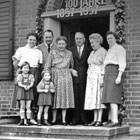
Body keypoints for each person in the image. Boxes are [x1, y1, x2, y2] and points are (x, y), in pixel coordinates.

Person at [44, 36, 76, 126]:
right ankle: (54, 119)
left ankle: (64, 119)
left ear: (66, 44)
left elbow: (71, 65)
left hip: (66, 77)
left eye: (63, 44)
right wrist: (47, 77)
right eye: (59, 44)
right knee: (55, 97)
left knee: (64, 97)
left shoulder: (69, 53)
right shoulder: (52, 52)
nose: (61, 45)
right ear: (57, 44)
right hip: (55, 76)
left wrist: (69, 71)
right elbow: (47, 65)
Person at [13, 32, 43, 124]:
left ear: (36, 41)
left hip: (34, 72)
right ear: (27, 40)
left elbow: (40, 64)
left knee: (32, 94)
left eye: (34, 40)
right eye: (30, 39)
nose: (32, 41)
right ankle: (22, 118)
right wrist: (18, 72)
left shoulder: (38, 51)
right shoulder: (21, 50)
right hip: (22, 73)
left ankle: (31, 118)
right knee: (21, 94)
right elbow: (15, 62)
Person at [102, 31, 126, 127]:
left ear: (115, 38)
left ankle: (115, 120)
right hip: (108, 74)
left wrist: (119, 76)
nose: (109, 40)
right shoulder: (110, 49)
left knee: (113, 98)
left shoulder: (119, 48)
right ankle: (110, 119)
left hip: (114, 73)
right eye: (108, 39)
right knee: (108, 98)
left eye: (111, 38)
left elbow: (122, 63)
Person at [69, 32, 92, 125]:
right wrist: (70, 70)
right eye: (77, 38)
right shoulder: (70, 50)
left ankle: (85, 119)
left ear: (84, 39)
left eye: (80, 38)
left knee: (84, 98)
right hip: (74, 77)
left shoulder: (89, 50)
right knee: (75, 98)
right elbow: (67, 63)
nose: (78, 40)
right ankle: (75, 119)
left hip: (85, 77)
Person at [84, 33, 107, 126]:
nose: (92, 44)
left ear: (98, 42)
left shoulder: (103, 52)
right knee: (93, 98)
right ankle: (94, 118)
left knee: (99, 98)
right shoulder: (92, 52)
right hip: (91, 77)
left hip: (98, 76)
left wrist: (102, 78)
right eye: (91, 43)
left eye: (93, 42)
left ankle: (99, 119)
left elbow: (104, 66)